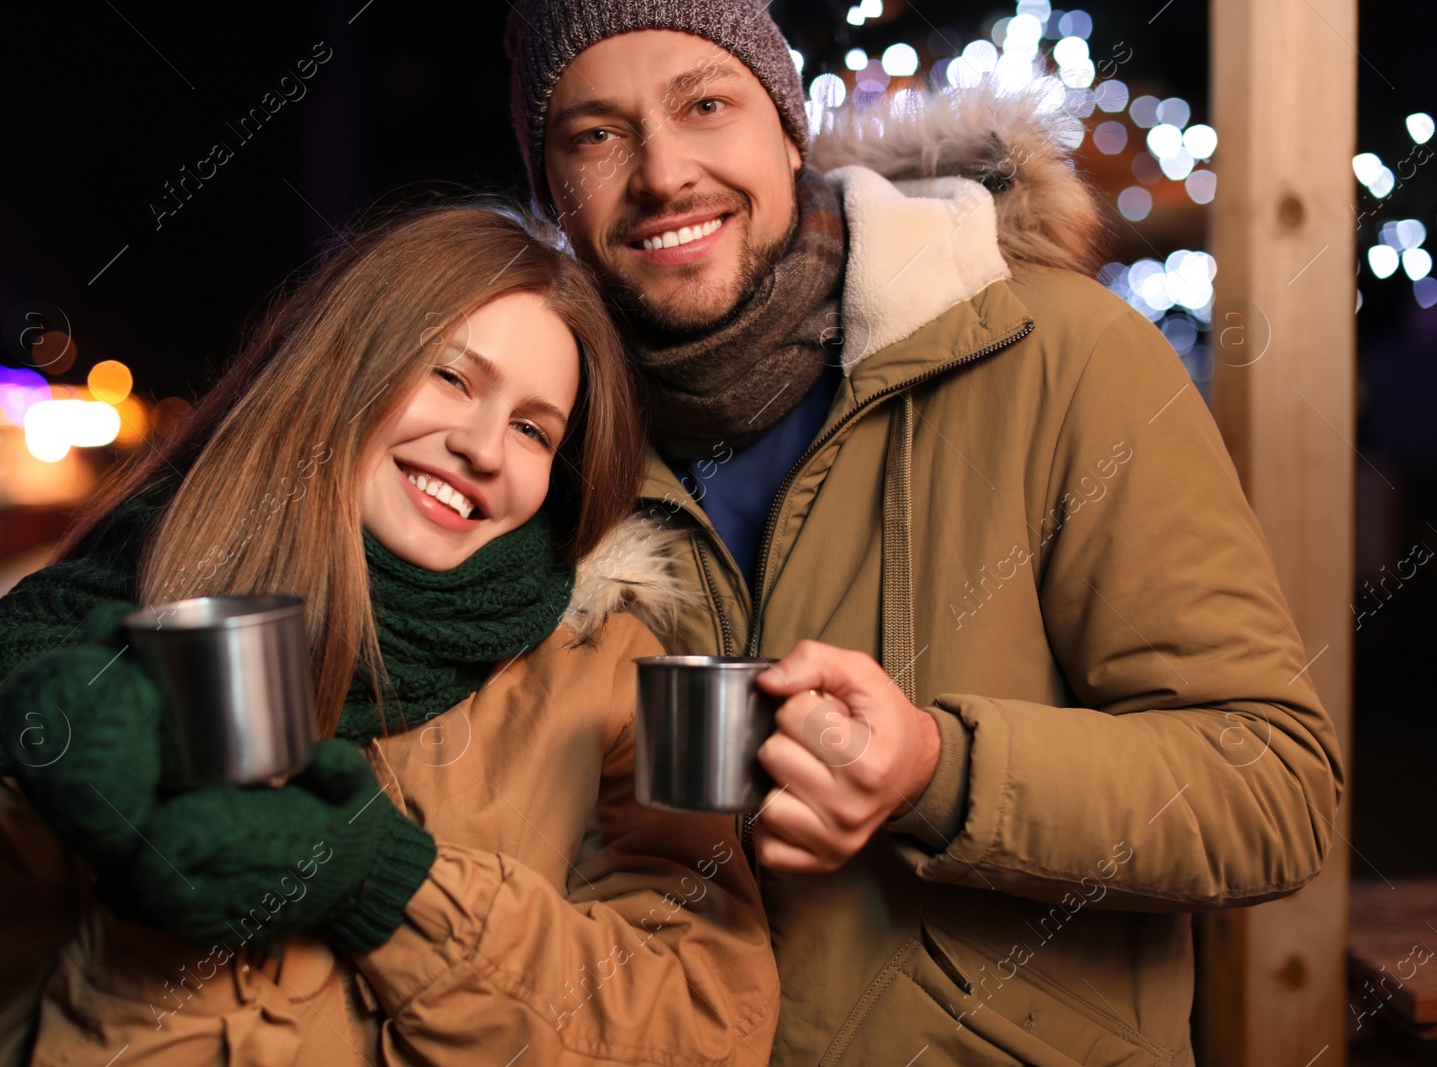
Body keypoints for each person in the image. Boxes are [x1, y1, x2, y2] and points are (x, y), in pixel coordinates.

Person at [504, 3, 1344, 1064]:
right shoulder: (533, 436)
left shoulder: (1062, 357)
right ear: (551, 189)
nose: (664, 173)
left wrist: (937, 770)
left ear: (786, 125)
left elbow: (1272, 788)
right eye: (596, 135)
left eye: (705, 104)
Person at [0, 201, 779, 1065]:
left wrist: (390, 882)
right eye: (452, 375)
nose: (484, 447)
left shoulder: (618, 666)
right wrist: (155, 892)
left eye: (534, 429)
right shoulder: (77, 672)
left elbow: (707, 1018)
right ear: (341, 368)